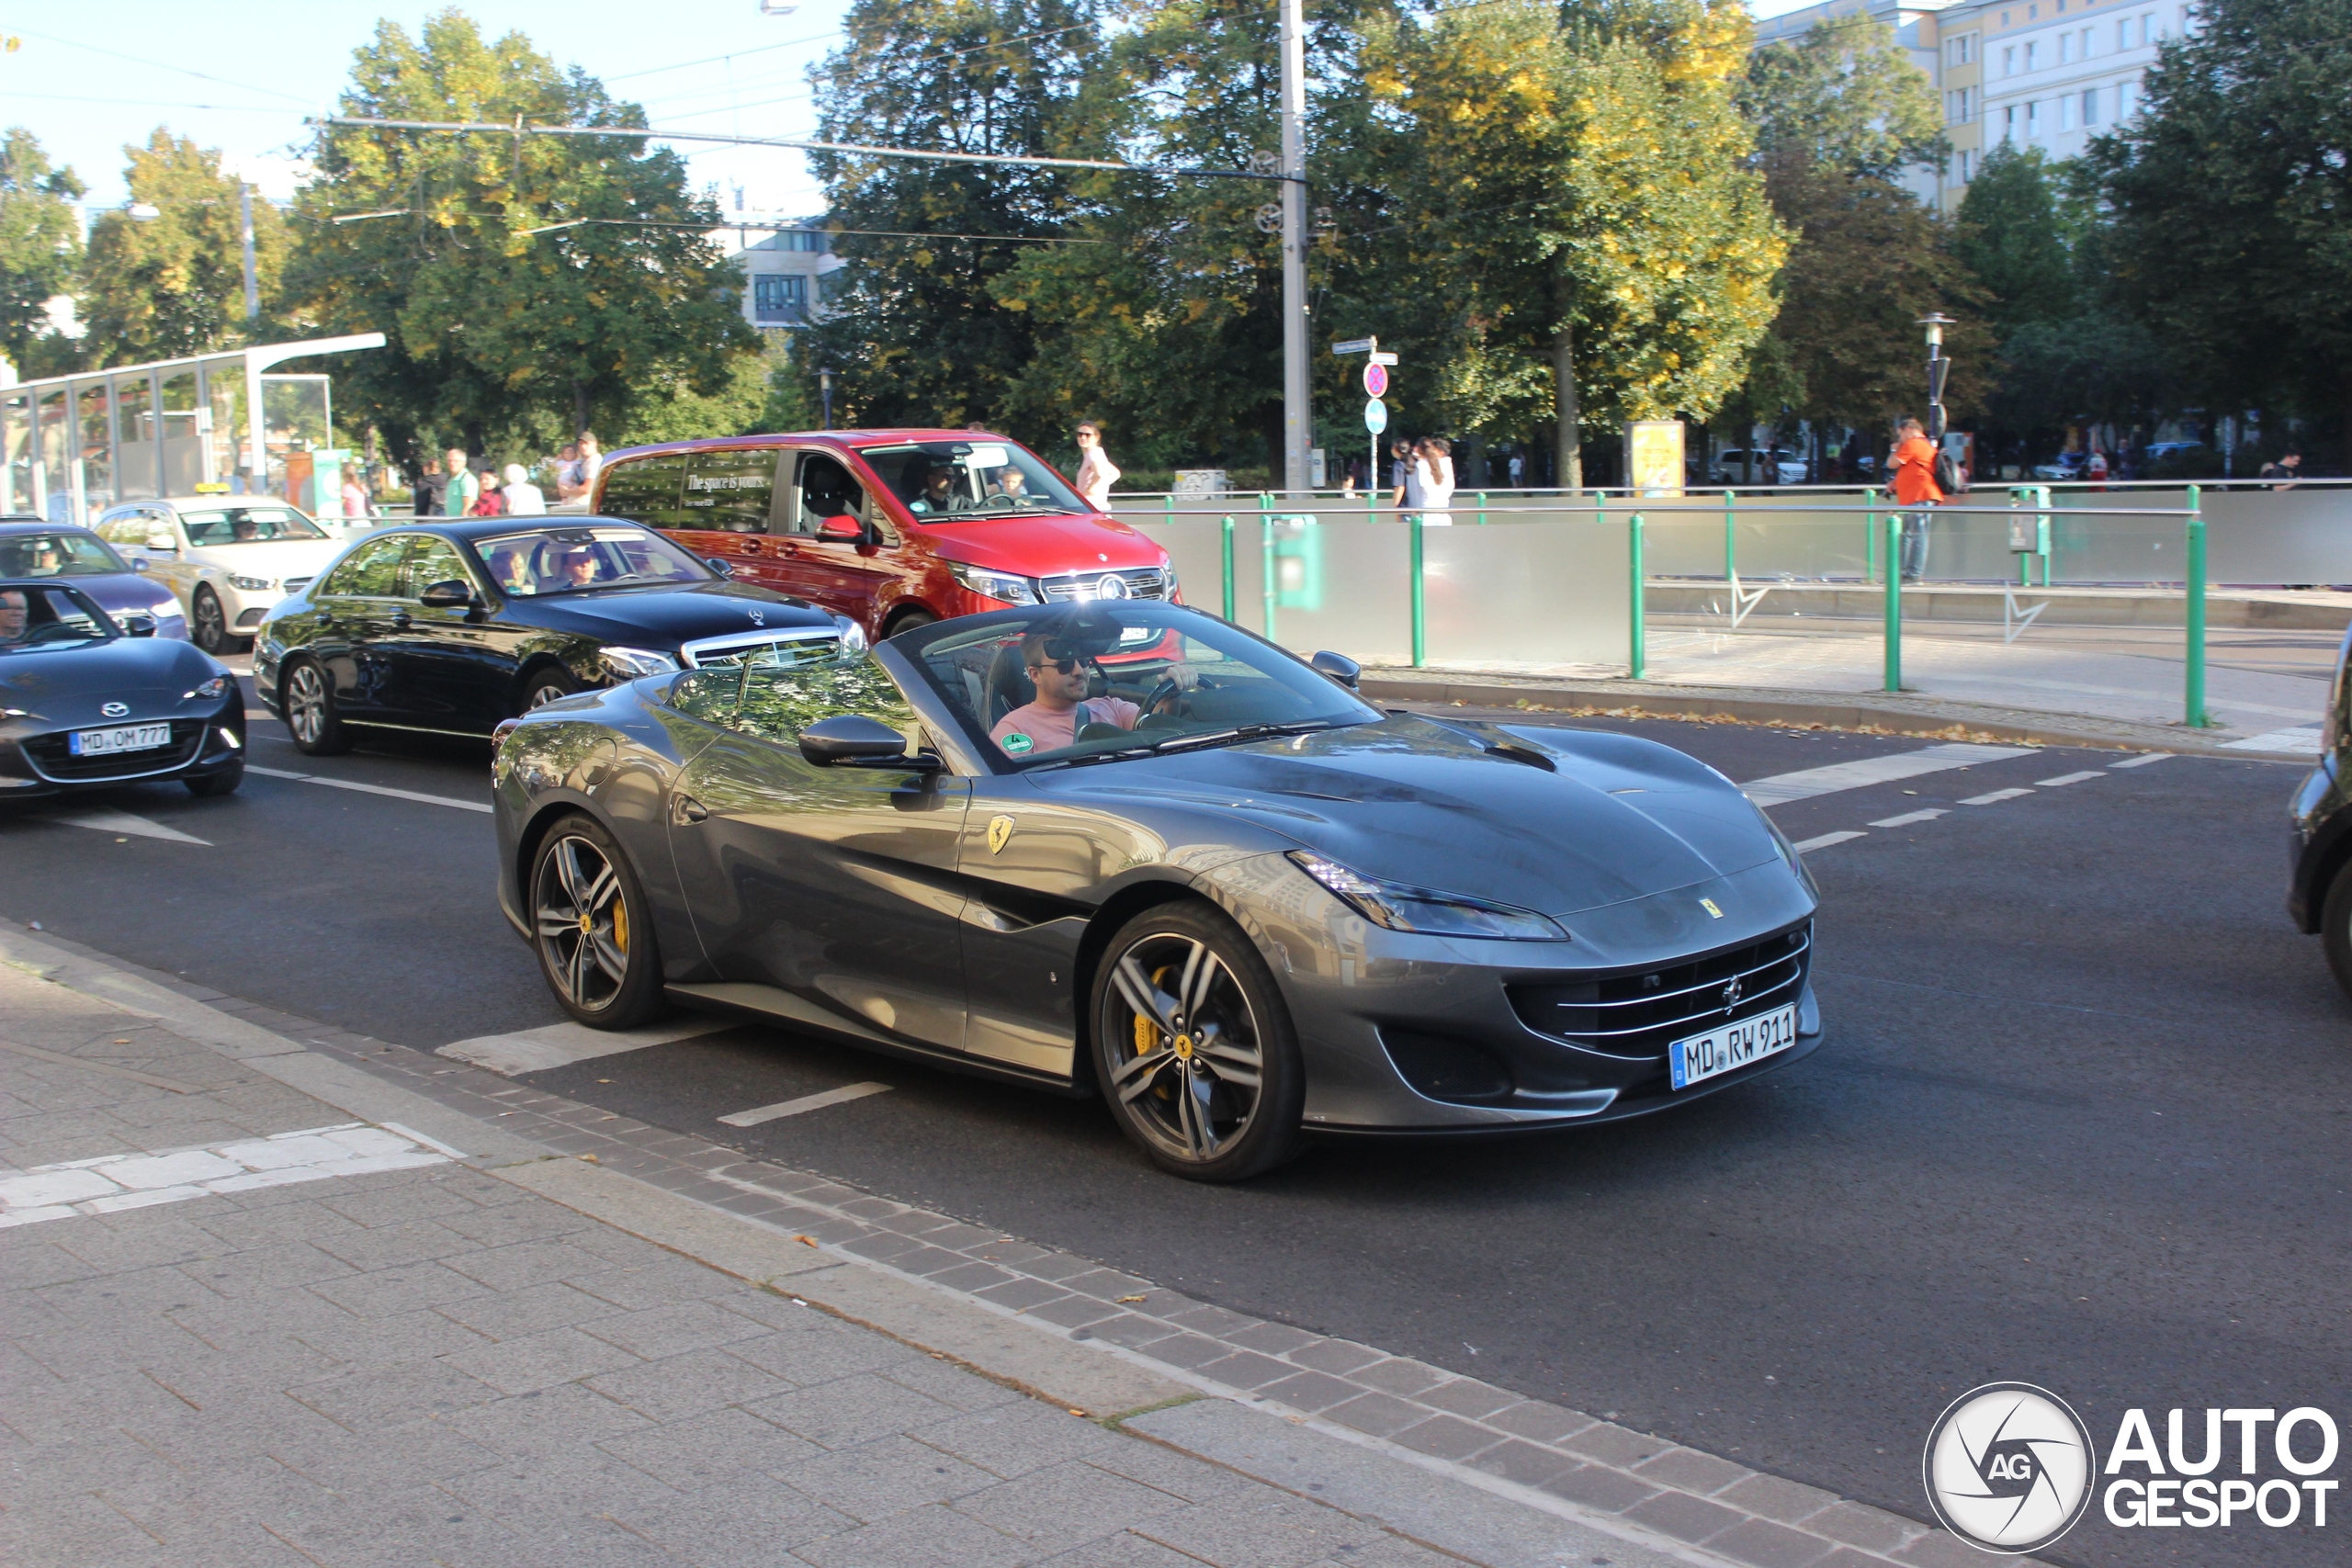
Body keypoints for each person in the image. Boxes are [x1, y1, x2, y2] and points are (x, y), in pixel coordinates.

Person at [989, 633, 1143, 755]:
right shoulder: (1015, 730)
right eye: (1064, 665)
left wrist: (1167, 698)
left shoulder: (1112, 708)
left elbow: (1157, 724)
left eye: (1083, 661)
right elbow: (1016, 789)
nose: (1078, 671)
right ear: (1035, 675)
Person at [1890, 417, 1943, 582]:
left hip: (1920, 496)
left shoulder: (1913, 444)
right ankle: (1907, 572)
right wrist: (1895, 483)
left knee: (1917, 535)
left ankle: (1912, 574)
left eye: (1900, 436)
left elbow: (1892, 463)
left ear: (1908, 430)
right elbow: (1911, 469)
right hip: (1915, 496)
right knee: (1910, 534)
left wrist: (1894, 450)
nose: (1900, 440)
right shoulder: (1923, 445)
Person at [1073, 420, 1120, 510]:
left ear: (1097, 437)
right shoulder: (1097, 453)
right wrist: (1101, 487)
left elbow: (1099, 474)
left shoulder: (1092, 454)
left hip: (1090, 506)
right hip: (1099, 504)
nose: (1083, 437)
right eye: (1080, 434)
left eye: (1088, 435)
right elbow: (1115, 473)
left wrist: (1088, 490)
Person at [1416, 435, 1456, 525]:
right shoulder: (1446, 463)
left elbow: (1419, 488)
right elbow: (1450, 487)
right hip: (1444, 510)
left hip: (1426, 510)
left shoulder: (1420, 465)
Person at [441, 449, 480, 518]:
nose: (452, 463)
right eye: (449, 460)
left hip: (460, 524)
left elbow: (469, 505)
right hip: (452, 522)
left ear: (464, 463)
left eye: (455, 461)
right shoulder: (452, 479)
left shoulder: (466, 479)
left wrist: (463, 524)